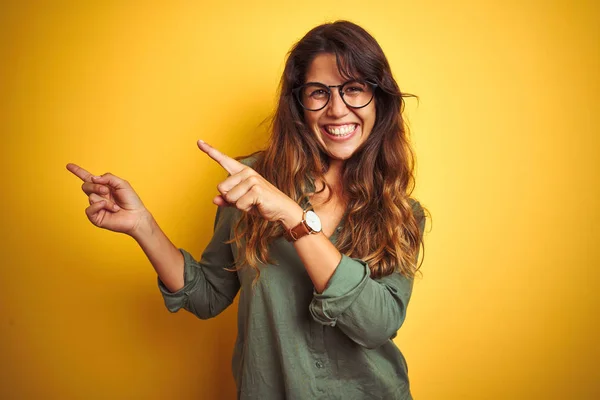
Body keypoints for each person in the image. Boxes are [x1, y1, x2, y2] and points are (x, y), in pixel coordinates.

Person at [67, 20, 426, 400]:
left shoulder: (401, 212)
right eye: (319, 92)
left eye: (354, 89)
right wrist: (143, 225)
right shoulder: (253, 183)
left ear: (379, 100)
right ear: (298, 103)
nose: (337, 109)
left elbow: (377, 325)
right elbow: (207, 296)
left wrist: (292, 217)